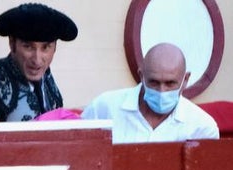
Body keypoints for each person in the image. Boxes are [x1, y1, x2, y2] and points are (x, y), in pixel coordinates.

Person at [80, 43, 218, 144]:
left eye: (170, 83)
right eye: (154, 82)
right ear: (141, 75)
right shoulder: (105, 107)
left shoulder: (202, 126)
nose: (161, 91)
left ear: (185, 79)